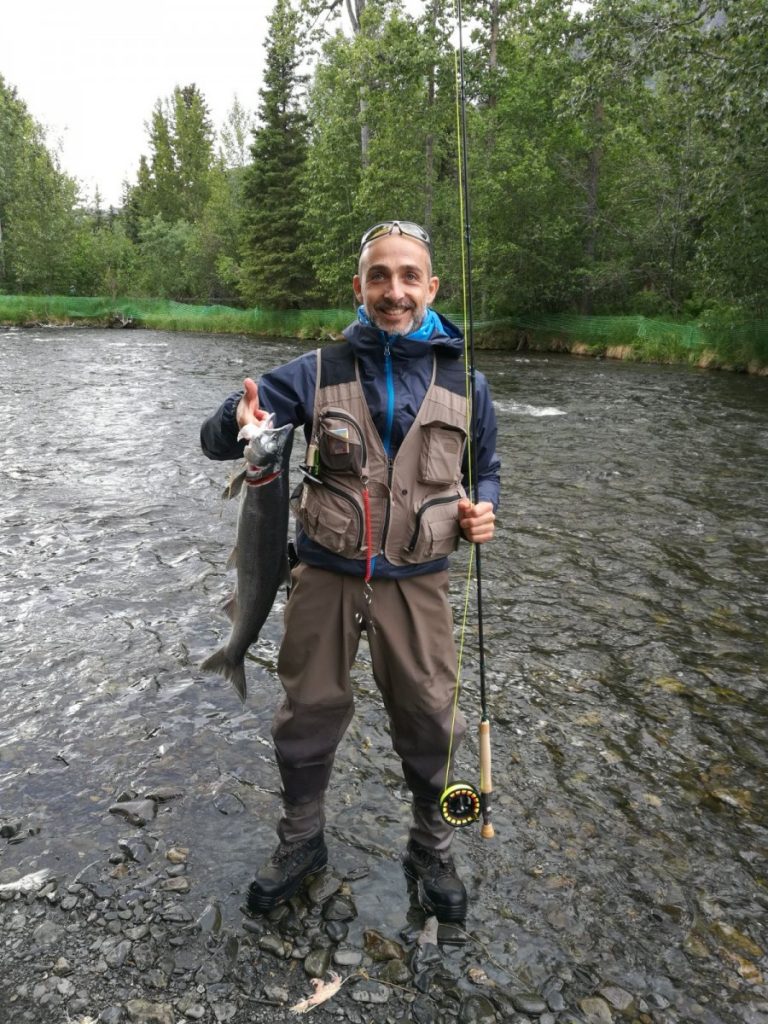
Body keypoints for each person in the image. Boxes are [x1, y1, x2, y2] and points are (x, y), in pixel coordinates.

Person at [200, 220, 500, 923]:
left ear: (432, 286)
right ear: (359, 287)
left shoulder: (467, 381)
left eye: (407, 276)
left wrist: (484, 507)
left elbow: (486, 469)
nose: (393, 290)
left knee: (432, 718)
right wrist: (236, 420)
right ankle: (301, 839)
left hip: (418, 579)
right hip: (325, 575)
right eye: (378, 276)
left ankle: (432, 848)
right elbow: (222, 439)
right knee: (307, 712)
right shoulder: (316, 369)